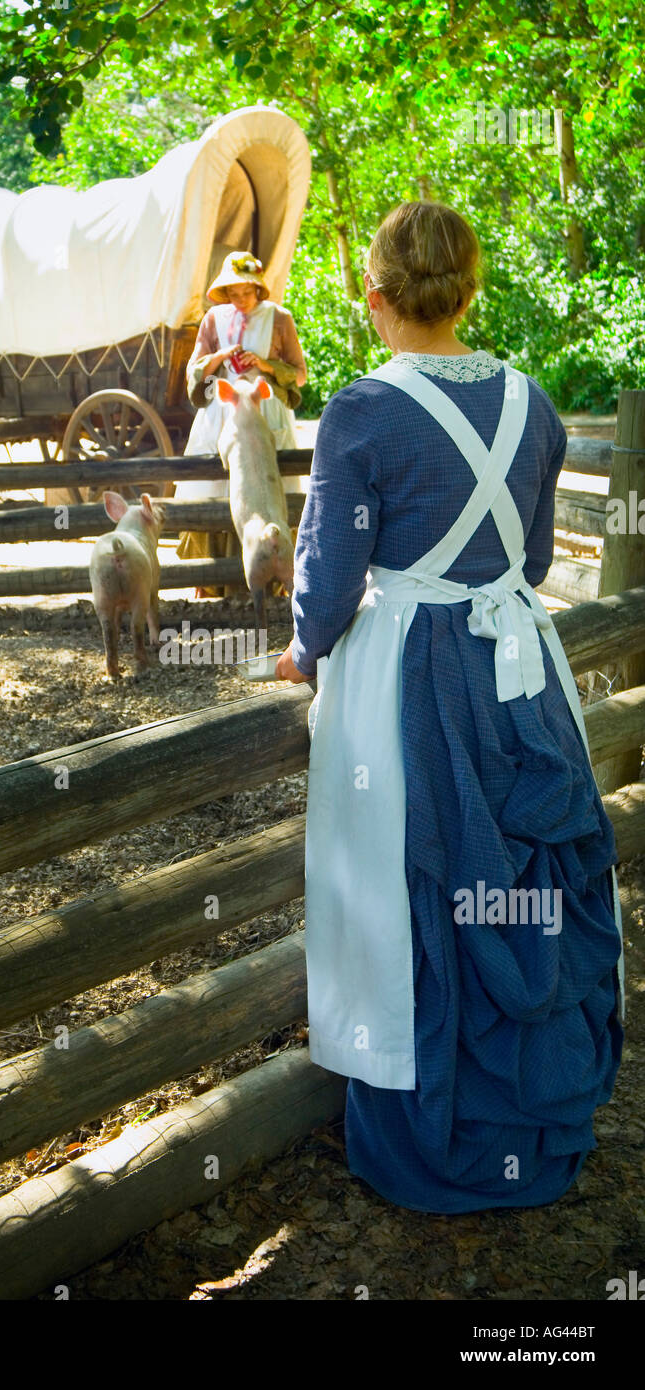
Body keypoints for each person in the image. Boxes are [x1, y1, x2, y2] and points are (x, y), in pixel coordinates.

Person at [275, 200, 624, 1213]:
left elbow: (331, 573)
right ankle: (532, 1115)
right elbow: (531, 557)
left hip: (411, 678)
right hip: (519, 671)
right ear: (468, 292)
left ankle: (432, 1139)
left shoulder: (360, 413)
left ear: (375, 299)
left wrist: (303, 648)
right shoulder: (533, 401)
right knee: (523, 879)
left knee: (411, 879)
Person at [174, 250, 308, 597]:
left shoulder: (279, 318)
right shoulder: (213, 320)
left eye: (246, 291)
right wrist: (218, 358)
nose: (240, 299)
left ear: (258, 287)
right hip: (222, 413)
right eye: (233, 293)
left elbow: (300, 374)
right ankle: (212, 579)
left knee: (268, 488)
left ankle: (275, 579)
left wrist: (264, 366)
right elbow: (194, 371)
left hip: (266, 412)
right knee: (214, 488)